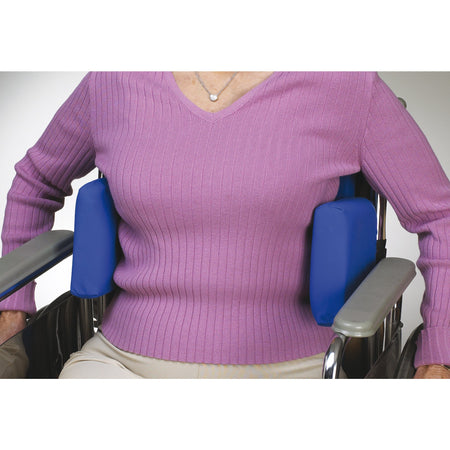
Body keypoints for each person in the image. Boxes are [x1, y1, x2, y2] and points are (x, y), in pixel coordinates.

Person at [0, 71, 448, 379]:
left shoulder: (344, 86)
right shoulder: (115, 81)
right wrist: (12, 309)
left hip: (289, 371)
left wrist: (438, 356)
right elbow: (36, 180)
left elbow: (439, 215)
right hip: (120, 364)